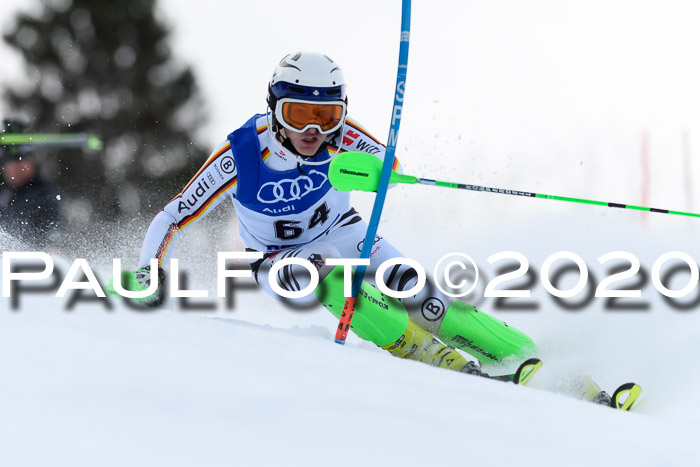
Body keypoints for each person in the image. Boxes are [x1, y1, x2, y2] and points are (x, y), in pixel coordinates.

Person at [130, 51, 535, 377]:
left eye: (325, 116)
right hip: (275, 258)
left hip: (344, 230)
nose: (313, 130)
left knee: (415, 289)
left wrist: (381, 172)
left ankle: (519, 352)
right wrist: (148, 271)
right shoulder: (241, 154)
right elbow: (174, 216)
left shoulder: (340, 136)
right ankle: (422, 349)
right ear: (274, 110)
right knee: (328, 274)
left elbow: (390, 171)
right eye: (298, 114)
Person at [0, 119, 62, 248]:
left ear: (31, 163)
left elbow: (55, 228)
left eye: (20, 164)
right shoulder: (4, 196)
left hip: (31, 262)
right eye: (10, 165)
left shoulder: (44, 194)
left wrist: (55, 245)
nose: (15, 170)